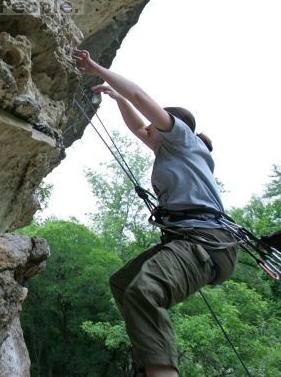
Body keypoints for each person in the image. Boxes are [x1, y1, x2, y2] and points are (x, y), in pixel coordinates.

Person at [72, 48, 238, 377]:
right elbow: (137, 126)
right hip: (191, 240)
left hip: (207, 242)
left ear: (170, 128)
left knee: (144, 292)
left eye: (153, 124)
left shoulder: (182, 139)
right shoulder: (172, 151)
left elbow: (140, 95)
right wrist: (118, 99)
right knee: (123, 283)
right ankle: (149, 365)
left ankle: (161, 371)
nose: (146, 129)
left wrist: (97, 69)